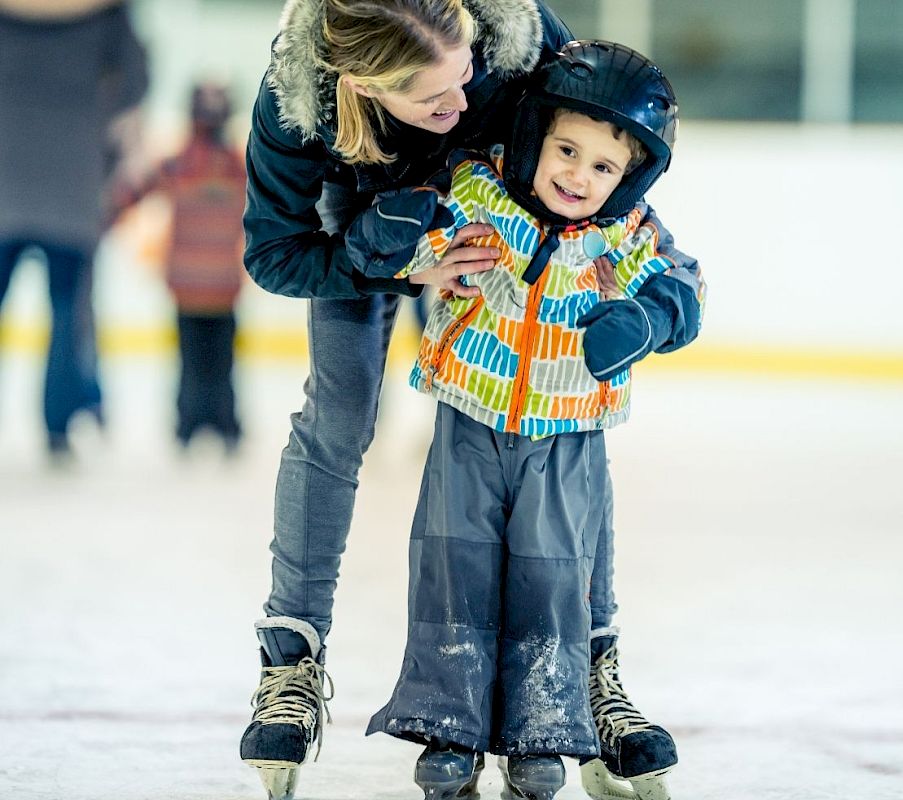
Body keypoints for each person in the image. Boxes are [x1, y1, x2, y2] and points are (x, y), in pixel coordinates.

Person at [236, 3, 703, 799]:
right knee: (339, 418)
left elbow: (600, 139)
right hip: (366, 228)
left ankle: (591, 670)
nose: (458, 102)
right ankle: (292, 661)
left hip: (499, 198)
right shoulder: (298, 103)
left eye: (467, 77)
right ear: (362, 85)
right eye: (432, 98)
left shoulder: (516, 36)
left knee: (567, 424)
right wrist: (396, 266)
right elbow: (275, 253)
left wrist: (643, 298)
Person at [0, 0, 148, 462]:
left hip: (4, 177)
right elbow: (136, 82)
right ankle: (59, 426)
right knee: (67, 314)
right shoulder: (108, 13)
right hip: (73, 179)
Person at [113, 83, 246, 453]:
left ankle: (189, 426)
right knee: (222, 361)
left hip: (189, 282)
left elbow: (130, 192)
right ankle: (223, 425)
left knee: (191, 360)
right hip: (221, 283)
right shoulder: (237, 166)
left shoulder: (180, 162)